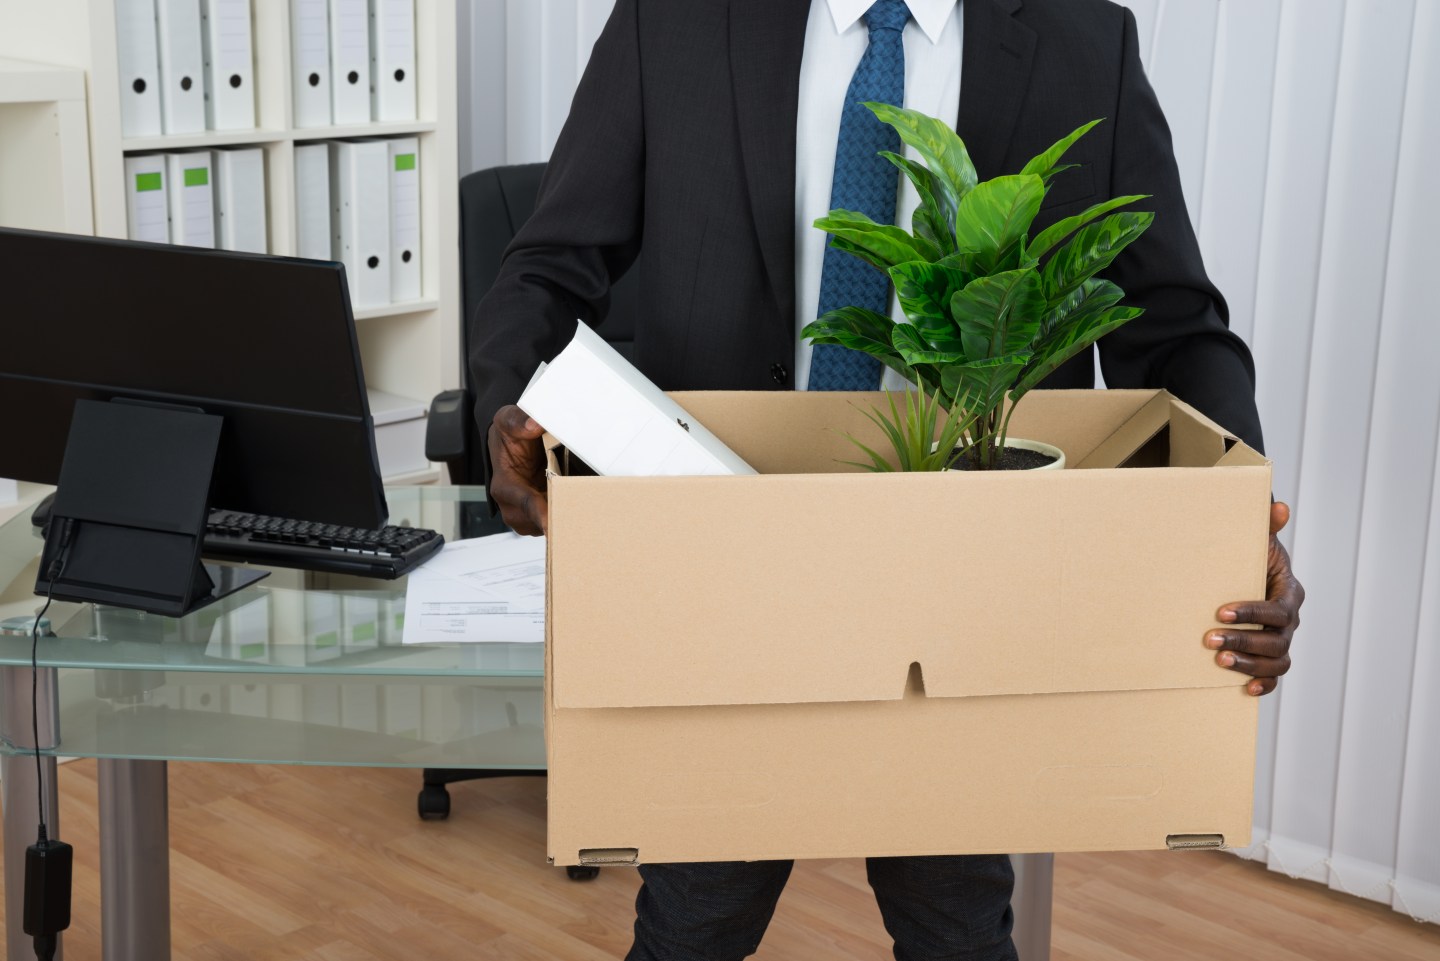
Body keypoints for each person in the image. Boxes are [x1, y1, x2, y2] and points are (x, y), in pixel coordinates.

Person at [470, 1, 1305, 958]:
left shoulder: (1084, 40)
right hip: (727, 566)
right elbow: (549, 266)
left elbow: (1173, 320)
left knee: (956, 928)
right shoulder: (676, 20)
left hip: (966, 584)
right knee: (693, 925)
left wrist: (1243, 520)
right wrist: (510, 412)